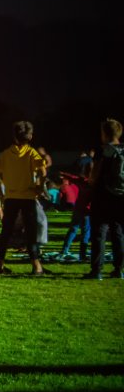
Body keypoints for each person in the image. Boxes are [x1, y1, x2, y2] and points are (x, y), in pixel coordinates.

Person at [0, 121, 47, 275]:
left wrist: (1, 194)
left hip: (11, 197)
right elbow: (43, 171)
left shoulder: (5, 154)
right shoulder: (31, 153)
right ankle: (36, 266)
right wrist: (40, 186)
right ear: (30, 136)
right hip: (28, 197)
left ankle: (0, 265)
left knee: (6, 231)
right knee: (31, 232)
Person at [86, 118, 124, 279]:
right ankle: (119, 269)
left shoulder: (103, 151)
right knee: (118, 233)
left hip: (103, 196)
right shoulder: (123, 150)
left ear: (105, 133)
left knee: (99, 233)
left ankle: (97, 270)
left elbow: (94, 176)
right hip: (121, 197)